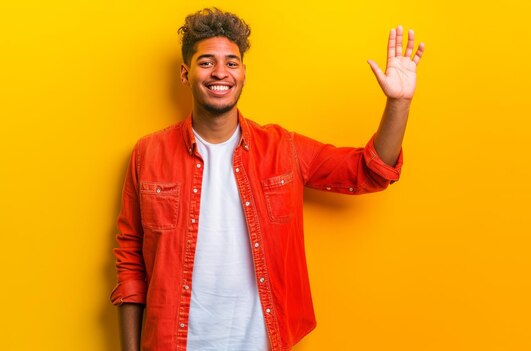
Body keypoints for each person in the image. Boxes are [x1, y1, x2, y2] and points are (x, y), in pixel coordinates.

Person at [111, 7, 425, 351]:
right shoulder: (148, 154)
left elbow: (370, 170)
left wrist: (399, 102)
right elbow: (130, 264)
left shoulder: (283, 149)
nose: (220, 72)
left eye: (231, 63)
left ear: (244, 73)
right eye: (206, 62)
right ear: (185, 74)